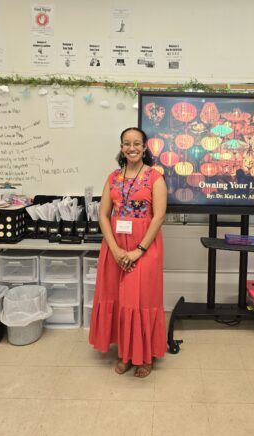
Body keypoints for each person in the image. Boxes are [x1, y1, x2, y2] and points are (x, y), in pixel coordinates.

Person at [89, 127, 167, 378]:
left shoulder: (155, 177)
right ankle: (124, 352)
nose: (131, 148)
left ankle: (145, 357)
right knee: (120, 299)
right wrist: (114, 249)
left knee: (141, 299)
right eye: (126, 143)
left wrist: (137, 251)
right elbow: (103, 214)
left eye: (136, 143)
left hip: (145, 247)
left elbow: (159, 217)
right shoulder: (112, 178)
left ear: (145, 147)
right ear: (121, 147)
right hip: (114, 246)